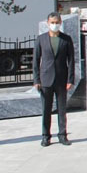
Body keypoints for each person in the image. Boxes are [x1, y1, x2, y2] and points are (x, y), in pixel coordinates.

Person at [33, 12, 75, 147]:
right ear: (48, 23)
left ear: (60, 23)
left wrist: (70, 79)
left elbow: (71, 61)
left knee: (62, 109)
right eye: (52, 22)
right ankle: (46, 136)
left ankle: (62, 135)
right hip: (46, 80)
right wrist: (36, 80)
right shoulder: (41, 39)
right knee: (46, 109)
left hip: (62, 79)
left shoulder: (66, 39)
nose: (54, 25)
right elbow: (35, 61)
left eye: (57, 22)